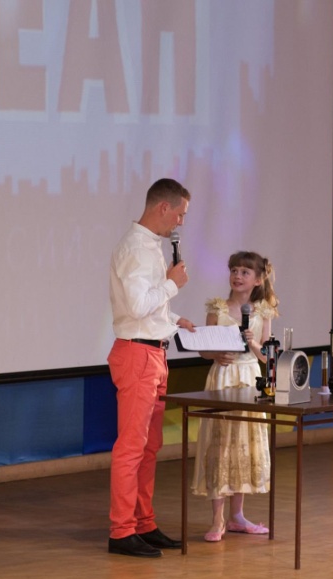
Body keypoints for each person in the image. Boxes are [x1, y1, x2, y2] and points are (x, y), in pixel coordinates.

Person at [106, 178, 196, 558]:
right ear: (163, 207)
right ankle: (121, 531)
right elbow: (137, 306)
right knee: (132, 446)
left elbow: (147, 309)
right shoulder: (135, 248)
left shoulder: (150, 247)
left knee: (149, 446)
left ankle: (143, 523)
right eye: (180, 214)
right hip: (138, 356)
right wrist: (173, 285)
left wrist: (173, 320)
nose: (180, 222)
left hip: (154, 353)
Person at [192, 251, 279, 542]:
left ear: (258, 279)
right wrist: (216, 354)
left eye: (244, 272)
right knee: (220, 443)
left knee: (244, 443)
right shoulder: (218, 308)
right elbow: (203, 349)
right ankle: (217, 518)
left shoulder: (263, 312)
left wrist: (253, 344)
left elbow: (267, 357)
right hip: (223, 377)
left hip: (250, 378)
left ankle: (237, 515)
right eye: (234, 270)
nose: (237, 276)